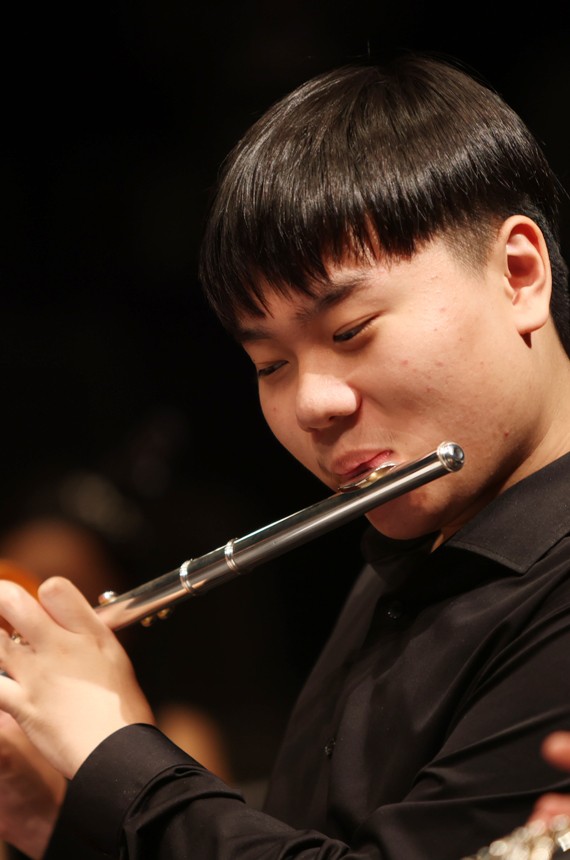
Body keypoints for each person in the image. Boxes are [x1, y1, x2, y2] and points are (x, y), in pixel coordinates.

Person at [0, 52, 569, 860]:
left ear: (518, 274)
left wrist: (119, 756)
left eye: (351, 332)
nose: (312, 404)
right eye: (271, 365)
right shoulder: (413, 553)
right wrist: (57, 821)